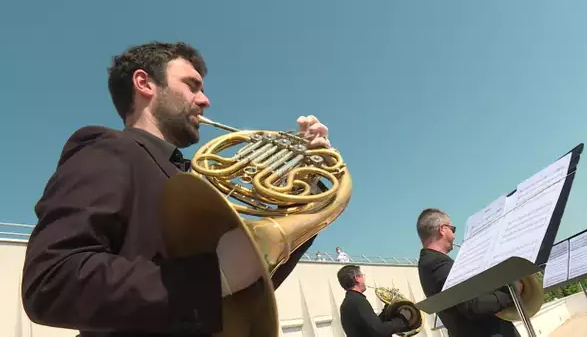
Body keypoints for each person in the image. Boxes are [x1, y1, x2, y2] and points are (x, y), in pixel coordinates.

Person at [20, 41, 332, 337]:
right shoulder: (109, 148)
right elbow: (52, 280)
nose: (205, 100)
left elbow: (249, 284)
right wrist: (211, 278)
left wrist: (310, 181)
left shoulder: (192, 177)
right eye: (192, 85)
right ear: (144, 84)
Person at [416, 208, 523, 337]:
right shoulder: (437, 263)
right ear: (442, 229)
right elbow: (473, 305)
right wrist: (511, 292)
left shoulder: (431, 262)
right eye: (452, 229)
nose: (454, 235)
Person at [337, 265, 412, 337]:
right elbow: (379, 331)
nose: (364, 279)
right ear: (357, 278)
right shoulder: (358, 301)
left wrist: (387, 308)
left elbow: (371, 326)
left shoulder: (348, 302)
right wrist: (402, 319)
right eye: (362, 276)